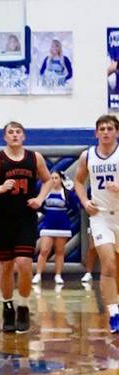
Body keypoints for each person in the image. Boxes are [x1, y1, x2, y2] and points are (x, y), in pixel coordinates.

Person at [0, 122, 53, 333]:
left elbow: (47, 181)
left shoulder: (34, 157)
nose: (14, 135)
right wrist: (0, 188)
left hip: (26, 218)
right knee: (6, 267)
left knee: (24, 263)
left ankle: (24, 306)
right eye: (10, 132)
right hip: (4, 219)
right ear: (4, 137)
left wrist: (39, 198)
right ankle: (8, 306)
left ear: (24, 136)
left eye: (18, 132)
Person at [72, 113, 119, 332]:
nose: (106, 132)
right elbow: (78, 182)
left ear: (116, 132)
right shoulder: (87, 156)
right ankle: (113, 312)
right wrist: (84, 200)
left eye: (110, 128)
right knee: (108, 264)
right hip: (100, 216)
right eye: (102, 129)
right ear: (96, 133)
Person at [30, 171, 76, 287]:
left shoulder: (67, 193)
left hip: (62, 226)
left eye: (56, 178)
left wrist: (64, 216)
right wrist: (49, 214)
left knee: (60, 251)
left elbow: (75, 208)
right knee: (44, 250)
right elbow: (39, 206)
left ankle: (58, 275)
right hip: (48, 225)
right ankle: (38, 274)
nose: (54, 180)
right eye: (52, 178)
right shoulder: (45, 192)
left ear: (61, 179)